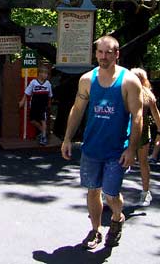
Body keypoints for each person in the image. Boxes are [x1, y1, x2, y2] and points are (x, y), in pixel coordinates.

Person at [61, 35, 143, 250]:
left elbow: (137, 116)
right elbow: (77, 109)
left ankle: (117, 218)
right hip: (91, 148)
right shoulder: (87, 80)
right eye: (100, 52)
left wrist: (132, 149)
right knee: (92, 190)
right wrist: (67, 138)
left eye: (108, 52)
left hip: (117, 150)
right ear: (95, 53)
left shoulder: (129, 81)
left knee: (111, 193)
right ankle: (95, 230)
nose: (104, 56)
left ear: (117, 54)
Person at [130, 68, 160, 206]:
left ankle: (146, 192)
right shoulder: (125, 92)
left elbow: (155, 114)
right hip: (127, 128)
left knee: (142, 161)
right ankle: (110, 193)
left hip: (142, 129)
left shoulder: (147, 95)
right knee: (117, 161)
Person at [19, 65, 53, 145]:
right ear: (39, 74)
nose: (45, 75)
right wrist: (22, 101)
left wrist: (49, 104)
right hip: (34, 105)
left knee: (43, 120)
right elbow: (27, 93)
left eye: (47, 74)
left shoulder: (48, 83)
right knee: (32, 120)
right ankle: (43, 131)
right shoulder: (33, 82)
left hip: (43, 106)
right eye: (44, 74)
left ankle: (43, 137)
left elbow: (50, 95)